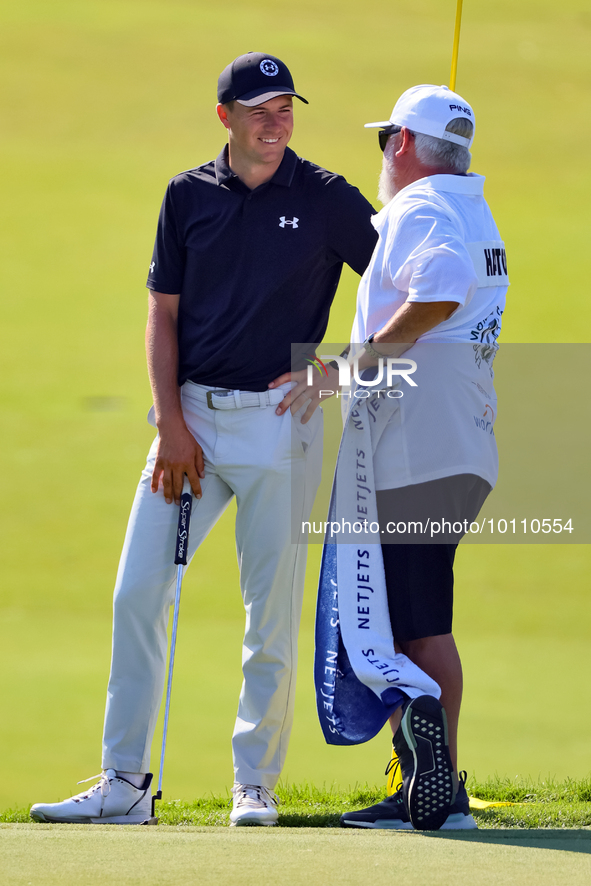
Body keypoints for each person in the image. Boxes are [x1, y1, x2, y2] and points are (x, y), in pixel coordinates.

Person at [30, 52, 377, 827]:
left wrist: (340, 373)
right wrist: (171, 424)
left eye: (286, 107)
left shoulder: (326, 199)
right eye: (258, 108)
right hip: (190, 424)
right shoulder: (186, 196)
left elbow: (404, 289)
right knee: (138, 594)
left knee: (269, 618)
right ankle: (124, 783)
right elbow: (163, 313)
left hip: (280, 426)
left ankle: (253, 783)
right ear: (225, 117)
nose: (275, 120)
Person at [305, 84, 508, 831]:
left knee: (417, 624)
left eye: (385, 139)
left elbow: (441, 290)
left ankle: (440, 790)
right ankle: (419, 781)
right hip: (459, 442)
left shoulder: (423, 209)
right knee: (403, 621)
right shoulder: (470, 210)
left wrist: (354, 364)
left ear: (400, 144)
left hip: (419, 446)